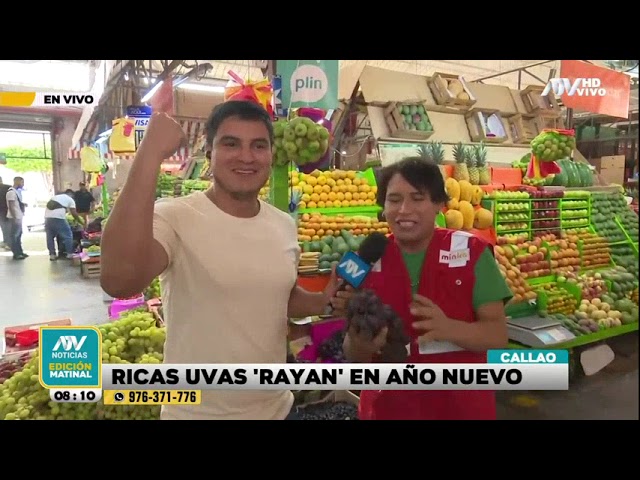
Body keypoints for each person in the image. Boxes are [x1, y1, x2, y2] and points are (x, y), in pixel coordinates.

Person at [100, 101, 352, 420]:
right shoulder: (175, 216)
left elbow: (275, 298)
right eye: (230, 143)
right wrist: (150, 152)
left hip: (278, 408)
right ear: (210, 155)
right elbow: (119, 280)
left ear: (271, 155)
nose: (246, 156)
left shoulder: (283, 224)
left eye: (258, 145)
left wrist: (321, 302)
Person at [343, 157, 512, 420]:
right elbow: (351, 350)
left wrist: (449, 328)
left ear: (438, 205)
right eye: (394, 199)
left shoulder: (472, 252)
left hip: (460, 407)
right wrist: (359, 344)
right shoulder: (368, 258)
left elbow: (497, 333)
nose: (404, 210)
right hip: (388, 408)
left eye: (417, 198)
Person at [44, 189, 84, 261]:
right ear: (72, 195)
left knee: (50, 237)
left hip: (47, 218)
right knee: (68, 235)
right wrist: (81, 222)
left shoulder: (55, 197)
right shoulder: (70, 200)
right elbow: (74, 214)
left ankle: (52, 255)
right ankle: (69, 254)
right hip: (59, 218)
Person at [6, 176, 27, 260]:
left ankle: (20, 251)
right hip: (15, 216)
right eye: (22, 182)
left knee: (19, 234)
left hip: (18, 215)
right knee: (15, 235)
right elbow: (11, 205)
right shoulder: (11, 192)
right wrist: (14, 216)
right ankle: (16, 253)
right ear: (17, 182)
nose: (23, 184)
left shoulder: (16, 192)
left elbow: (15, 203)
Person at [0, 177, 11, 250]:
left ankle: (7, 242)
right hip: (6, 210)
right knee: (7, 228)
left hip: (2, 211)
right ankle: (8, 243)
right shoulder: (8, 187)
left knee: (5, 228)